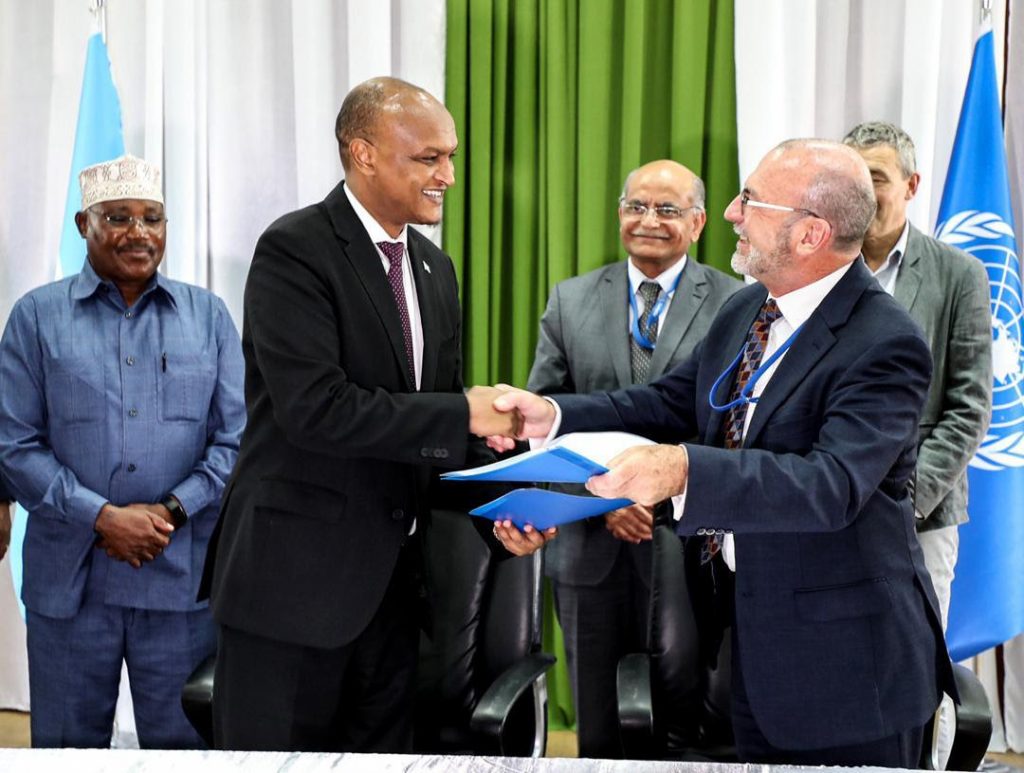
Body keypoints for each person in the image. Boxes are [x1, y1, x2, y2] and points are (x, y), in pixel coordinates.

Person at [491, 139, 955, 767]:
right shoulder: (748, 309)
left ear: (810, 234)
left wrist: (683, 468)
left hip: (846, 666)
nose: (732, 213)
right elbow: (667, 403)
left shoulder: (885, 342)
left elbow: (830, 485)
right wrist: (553, 414)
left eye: (750, 200)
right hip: (749, 641)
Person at [201, 76, 520, 753]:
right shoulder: (295, 250)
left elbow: (435, 435)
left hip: (395, 600)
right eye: (428, 158)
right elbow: (317, 411)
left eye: (451, 156)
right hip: (291, 591)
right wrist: (463, 412)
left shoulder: (436, 271)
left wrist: (507, 506)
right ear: (363, 153)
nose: (449, 176)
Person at [0, 154, 246, 748]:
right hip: (71, 583)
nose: (138, 232)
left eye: (152, 218)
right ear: (83, 225)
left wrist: (171, 511)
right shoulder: (37, 317)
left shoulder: (208, 316)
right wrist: (102, 516)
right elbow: (14, 444)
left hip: (180, 579)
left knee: (185, 752)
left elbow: (234, 439)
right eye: (117, 217)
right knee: (64, 751)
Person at [526, 159, 740, 758]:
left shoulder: (737, 303)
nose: (649, 220)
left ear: (698, 222)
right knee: (598, 723)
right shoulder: (570, 301)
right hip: (590, 545)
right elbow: (549, 421)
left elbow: (731, 428)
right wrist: (606, 498)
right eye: (636, 206)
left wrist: (657, 491)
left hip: (691, 543)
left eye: (668, 209)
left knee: (689, 718)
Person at [843, 121, 992, 769]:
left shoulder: (958, 274)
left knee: (912, 669)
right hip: (828, 511)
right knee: (839, 664)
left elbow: (968, 406)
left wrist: (904, 498)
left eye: (876, 177)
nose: (864, 191)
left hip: (920, 517)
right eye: (853, 178)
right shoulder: (820, 263)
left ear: (911, 184)